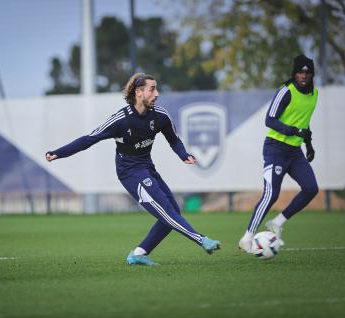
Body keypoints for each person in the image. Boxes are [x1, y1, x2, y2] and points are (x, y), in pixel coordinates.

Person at [45, 73, 221, 265]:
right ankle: (201, 239)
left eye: (157, 88)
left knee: (172, 212)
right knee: (168, 213)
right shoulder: (121, 120)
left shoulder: (160, 115)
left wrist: (183, 154)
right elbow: (89, 139)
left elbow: (174, 139)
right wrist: (58, 153)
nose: (157, 93)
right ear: (139, 92)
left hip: (147, 167)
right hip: (129, 172)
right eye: (152, 89)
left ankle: (138, 254)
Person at [239, 54, 319, 252]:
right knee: (271, 194)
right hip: (275, 148)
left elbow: (304, 121)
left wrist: (308, 145)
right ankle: (247, 237)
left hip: (295, 151)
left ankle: (277, 223)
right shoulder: (286, 91)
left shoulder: (314, 94)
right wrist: (294, 131)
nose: (304, 76)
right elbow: (270, 120)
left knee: (311, 188)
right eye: (300, 72)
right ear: (294, 73)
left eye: (307, 73)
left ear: (312, 75)